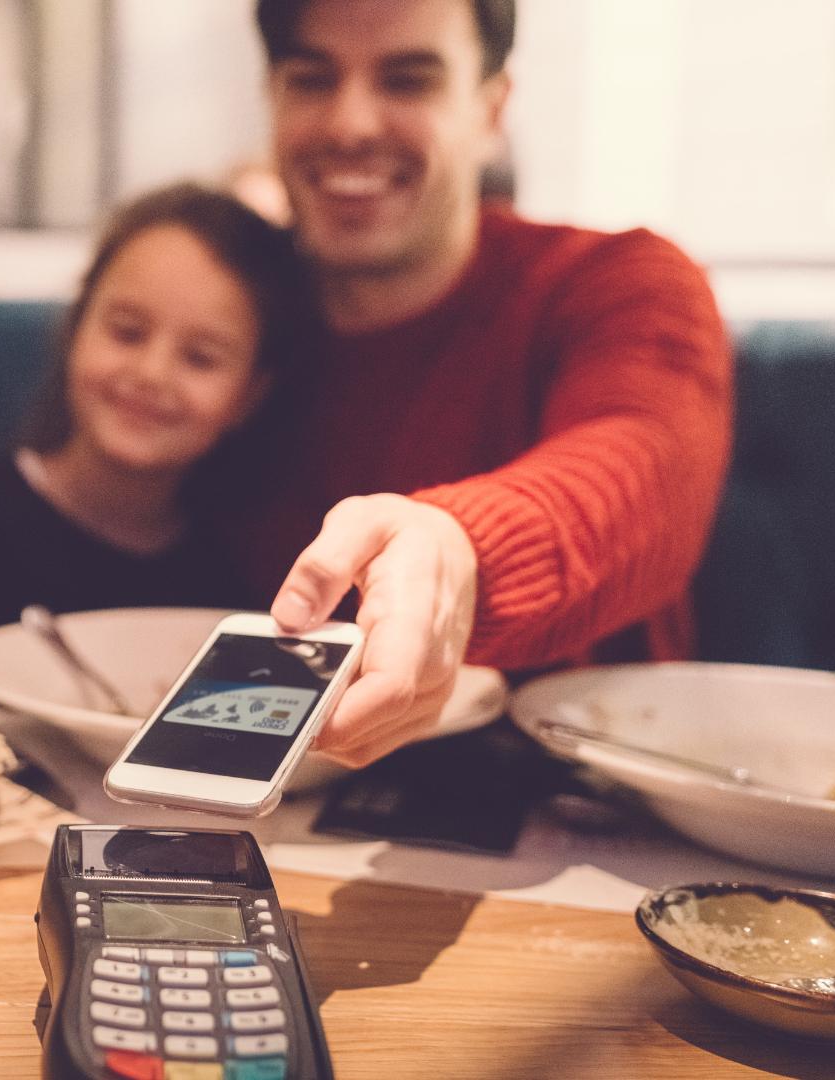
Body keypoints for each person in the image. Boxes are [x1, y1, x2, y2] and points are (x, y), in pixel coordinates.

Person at [244, 0, 733, 765]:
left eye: (408, 80)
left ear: (491, 106)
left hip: (581, 809)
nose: (351, 124)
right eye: (313, 79)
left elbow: (645, 463)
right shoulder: (227, 315)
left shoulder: (619, 283)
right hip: (268, 814)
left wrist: (459, 549)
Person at [0, 184, 317, 672]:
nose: (152, 373)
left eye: (200, 358)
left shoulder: (233, 570)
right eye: (127, 332)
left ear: (249, 396)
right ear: (76, 326)